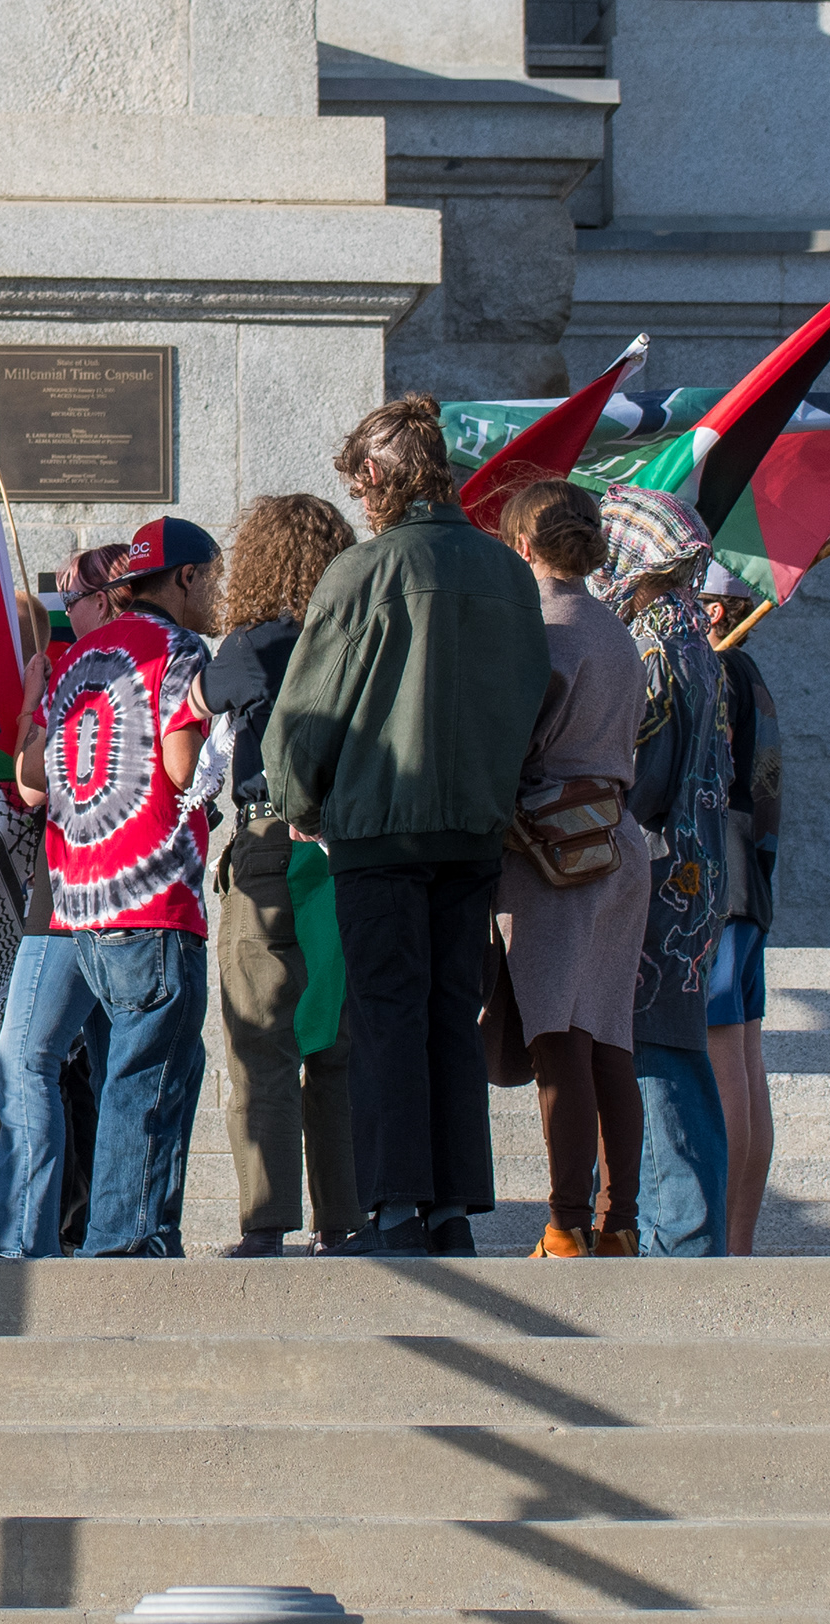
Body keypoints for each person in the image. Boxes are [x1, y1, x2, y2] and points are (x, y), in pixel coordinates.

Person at [262, 394, 554, 1257]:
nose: (356, 497)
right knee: (447, 1013)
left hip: (380, 828)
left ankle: (391, 1208)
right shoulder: (506, 571)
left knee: (386, 1014)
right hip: (470, 828)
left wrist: (302, 804)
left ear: (380, 474)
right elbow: (531, 699)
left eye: (358, 480)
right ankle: (453, 1208)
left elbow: (307, 716)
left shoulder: (365, 573)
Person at [0, 520, 221, 1259]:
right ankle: (127, 1243)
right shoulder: (181, 651)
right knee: (147, 1079)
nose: (218, 590)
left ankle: (129, 1235)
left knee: (137, 1070)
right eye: (212, 575)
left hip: (80, 905)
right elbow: (184, 769)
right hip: (152, 898)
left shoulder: (80, 656)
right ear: (184, 578)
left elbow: (30, 784)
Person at [200, 492, 361, 1259]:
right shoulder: (356, 637)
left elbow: (197, 701)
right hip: (347, 850)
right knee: (335, 1042)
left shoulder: (253, 643)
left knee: (260, 1040)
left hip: (268, 845)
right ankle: (344, 1216)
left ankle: (266, 1222)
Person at [496, 480, 651, 1260]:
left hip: (553, 848)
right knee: (609, 1038)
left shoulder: (543, 631)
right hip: (619, 842)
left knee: (558, 1037)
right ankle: (619, 1221)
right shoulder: (617, 632)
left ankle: (564, 1223)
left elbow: (518, 745)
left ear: (524, 546)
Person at [602, 482, 732, 1258]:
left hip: (654, 880)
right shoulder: (694, 637)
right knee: (679, 1052)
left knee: (653, 1062)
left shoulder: (651, 642)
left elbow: (640, 776)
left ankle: (677, 1244)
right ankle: (691, 1235)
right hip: (699, 879)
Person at [700, 562, 783, 1253]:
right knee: (745, 1058)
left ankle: (726, 1246)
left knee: (725, 1053)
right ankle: (739, 1244)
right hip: (749, 876)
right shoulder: (751, 676)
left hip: (718, 881)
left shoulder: (721, 673)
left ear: (718, 611)